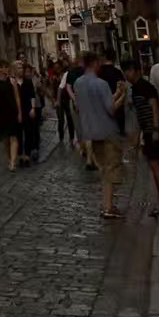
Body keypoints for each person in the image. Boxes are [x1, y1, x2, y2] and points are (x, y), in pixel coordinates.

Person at [73, 51, 128, 218]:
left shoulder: (78, 83)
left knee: (104, 169)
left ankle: (107, 204)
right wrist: (123, 95)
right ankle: (108, 207)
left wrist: (116, 93)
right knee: (111, 169)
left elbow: (94, 103)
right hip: (107, 131)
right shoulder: (101, 83)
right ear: (95, 63)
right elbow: (110, 109)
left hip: (91, 131)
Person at [123, 58, 159, 217]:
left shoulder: (144, 86)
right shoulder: (136, 88)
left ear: (134, 71)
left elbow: (154, 106)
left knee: (156, 167)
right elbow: (140, 114)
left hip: (154, 131)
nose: (126, 75)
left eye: (128, 71)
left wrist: (155, 129)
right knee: (155, 167)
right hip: (148, 131)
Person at [0, 59, 22, 171]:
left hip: (12, 112)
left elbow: (17, 98)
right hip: (1, 113)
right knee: (6, 138)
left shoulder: (12, 81)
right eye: (3, 67)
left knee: (13, 137)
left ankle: (13, 163)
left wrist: (19, 112)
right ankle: (10, 158)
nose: (6, 69)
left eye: (7, 67)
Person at [16, 60, 41, 164]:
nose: (20, 70)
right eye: (18, 68)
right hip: (17, 110)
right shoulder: (12, 82)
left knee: (28, 131)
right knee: (18, 133)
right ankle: (20, 154)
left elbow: (32, 96)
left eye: (21, 68)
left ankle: (27, 154)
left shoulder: (28, 81)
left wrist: (33, 108)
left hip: (27, 108)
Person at [99, 48, 127, 140]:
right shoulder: (117, 72)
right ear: (114, 58)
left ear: (104, 57)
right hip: (117, 106)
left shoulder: (99, 72)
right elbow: (123, 88)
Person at [56, 59, 77, 146]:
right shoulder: (54, 76)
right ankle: (61, 137)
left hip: (67, 99)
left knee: (70, 118)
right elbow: (56, 88)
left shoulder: (67, 74)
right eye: (56, 68)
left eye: (58, 67)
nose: (57, 69)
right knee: (61, 120)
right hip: (59, 100)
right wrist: (56, 100)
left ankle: (71, 137)